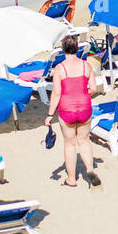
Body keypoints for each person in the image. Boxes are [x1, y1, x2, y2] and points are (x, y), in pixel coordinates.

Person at [43, 35, 101, 187]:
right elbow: (94, 88)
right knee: (84, 140)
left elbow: (56, 94)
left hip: (66, 109)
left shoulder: (59, 68)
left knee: (70, 144)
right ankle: (90, 170)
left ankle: (71, 179)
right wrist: (82, 95)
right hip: (84, 108)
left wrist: (49, 115)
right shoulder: (85, 66)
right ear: (77, 48)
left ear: (63, 49)